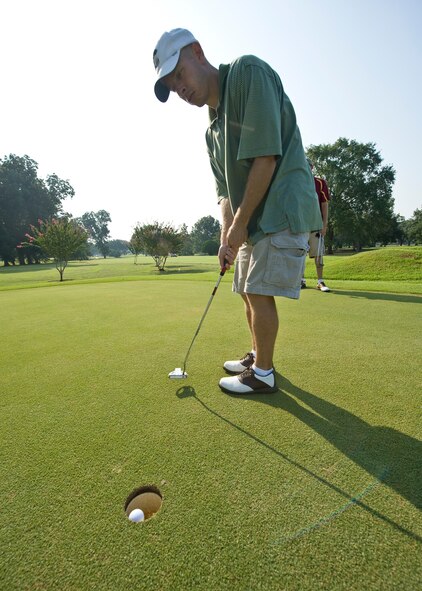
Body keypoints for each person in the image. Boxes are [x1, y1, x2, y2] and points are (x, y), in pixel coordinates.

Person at [153, 28, 322, 395]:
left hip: (280, 207)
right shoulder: (211, 130)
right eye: (171, 84)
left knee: (259, 293)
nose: (179, 88)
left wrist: (240, 224)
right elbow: (225, 193)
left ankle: (263, 375)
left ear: (197, 52)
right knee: (246, 289)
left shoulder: (247, 73)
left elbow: (266, 157)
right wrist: (226, 236)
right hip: (251, 215)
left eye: (179, 74)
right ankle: (258, 355)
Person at [301, 160, 331, 292]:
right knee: (299, 254)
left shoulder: (320, 183)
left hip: (316, 225)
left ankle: (320, 281)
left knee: (318, 255)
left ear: (312, 168)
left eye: (308, 166)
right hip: (300, 226)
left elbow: (324, 205)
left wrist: (324, 225)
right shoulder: (296, 183)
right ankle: (301, 281)